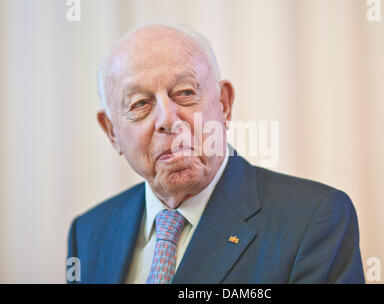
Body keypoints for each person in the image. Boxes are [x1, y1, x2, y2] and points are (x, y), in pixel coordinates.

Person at [66, 24, 365, 284]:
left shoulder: (314, 219)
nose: (168, 120)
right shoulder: (89, 233)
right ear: (112, 132)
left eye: (184, 92)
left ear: (223, 104)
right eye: (140, 104)